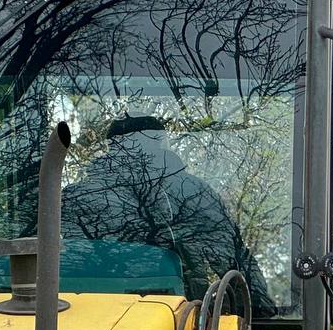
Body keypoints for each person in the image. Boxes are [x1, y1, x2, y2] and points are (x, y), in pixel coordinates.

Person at [61, 115, 276, 315]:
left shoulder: (71, 197)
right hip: (181, 321)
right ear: (163, 144)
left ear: (110, 148)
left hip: (82, 316)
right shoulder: (192, 190)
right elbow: (230, 256)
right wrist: (260, 309)